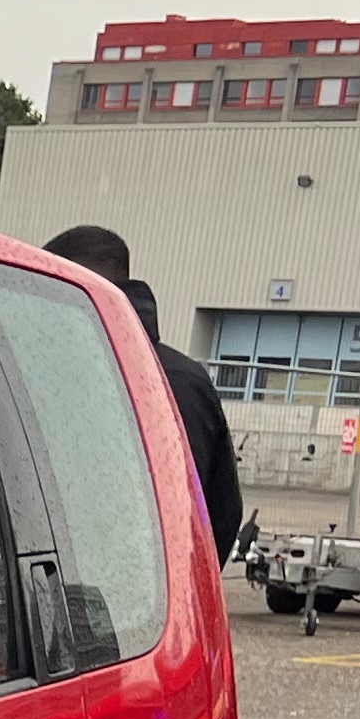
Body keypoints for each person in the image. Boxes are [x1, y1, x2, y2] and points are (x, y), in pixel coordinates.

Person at [44, 225, 244, 560]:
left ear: (78, 284)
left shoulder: (165, 382)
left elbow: (200, 516)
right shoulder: (183, 379)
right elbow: (221, 513)